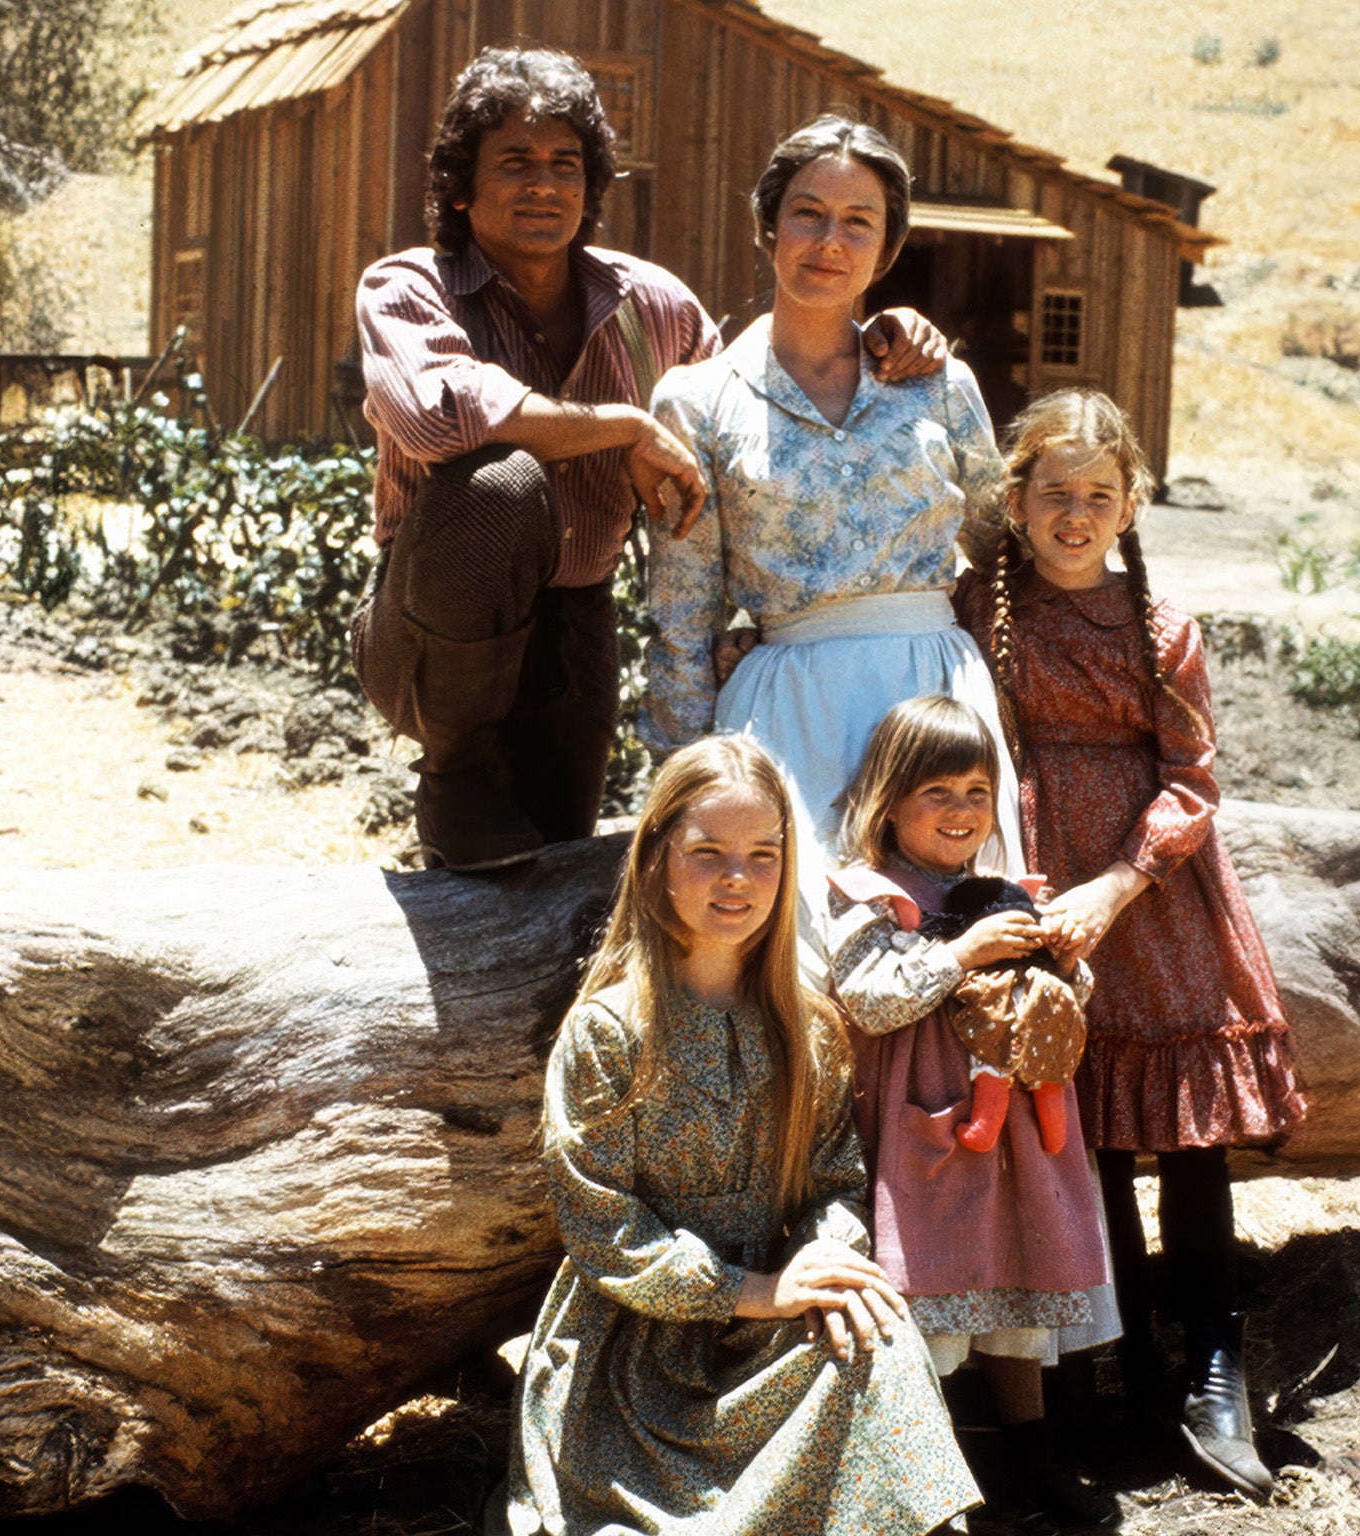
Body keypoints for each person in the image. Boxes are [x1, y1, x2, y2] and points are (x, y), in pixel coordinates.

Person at [353, 54, 948, 871]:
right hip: (425, 627)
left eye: (566, 164)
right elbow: (438, 415)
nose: (543, 185)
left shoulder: (650, 305)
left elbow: (742, 406)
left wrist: (879, 329)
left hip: (577, 621)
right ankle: (454, 772)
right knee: (500, 483)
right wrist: (623, 428)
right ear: (462, 184)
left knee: (552, 865)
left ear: (592, 186)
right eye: (514, 163)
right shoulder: (409, 288)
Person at [953, 387, 1309, 1501]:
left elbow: (1192, 778)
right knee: (1085, 1131)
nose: (1073, 514)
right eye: (1052, 492)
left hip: (1153, 894)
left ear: (1129, 505)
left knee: (1185, 1142)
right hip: (1035, 876)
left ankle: (1211, 1364)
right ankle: (1112, 1365)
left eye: (1096, 496)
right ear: (1012, 500)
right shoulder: (974, 609)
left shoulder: (1159, 628)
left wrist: (1119, 882)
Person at [503, 735, 977, 1536]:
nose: (738, 878)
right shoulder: (609, 1032)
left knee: (881, 1341)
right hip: (637, 1352)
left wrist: (821, 1255)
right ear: (657, 859)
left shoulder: (807, 1026)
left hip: (773, 1312)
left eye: (763, 855)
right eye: (708, 853)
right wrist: (750, 1294)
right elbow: (604, 1231)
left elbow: (835, 1177)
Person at [643, 115, 1014, 895]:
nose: (828, 242)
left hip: (937, 705)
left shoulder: (941, 386)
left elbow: (1005, 554)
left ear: (888, 247)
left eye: (858, 222)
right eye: (807, 213)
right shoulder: (699, 401)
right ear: (767, 224)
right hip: (788, 709)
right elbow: (682, 615)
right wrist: (685, 788)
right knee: (802, 950)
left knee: (957, 946)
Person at [821, 696, 1118, 1527]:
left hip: (1016, 1125)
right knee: (939, 1288)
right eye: (937, 794)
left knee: (1014, 1278)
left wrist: (1060, 962)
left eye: (976, 793)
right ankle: (937, 1478)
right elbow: (868, 1002)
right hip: (928, 1125)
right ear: (887, 801)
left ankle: (1031, 1462)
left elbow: (1061, 1002)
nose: (961, 813)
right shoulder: (869, 899)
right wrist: (958, 954)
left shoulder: (1001, 890)